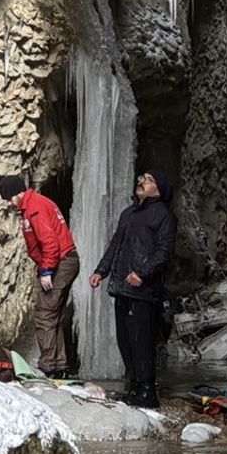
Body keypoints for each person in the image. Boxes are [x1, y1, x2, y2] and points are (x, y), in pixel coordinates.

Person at [90, 170, 177, 408]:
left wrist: (143, 273)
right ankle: (134, 387)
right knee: (125, 340)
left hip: (144, 290)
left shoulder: (163, 215)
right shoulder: (128, 214)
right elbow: (115, 246)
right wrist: (101, 271)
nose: (141, 181)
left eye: (148, 180)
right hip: (122, 286)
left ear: (159, 190)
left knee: (142, 340)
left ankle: (148, 390)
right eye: (141, 179)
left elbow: (164, 252)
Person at [0, 175, 80, 379]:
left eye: (9, 199)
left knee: (44, 314)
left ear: (18, 193)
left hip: (60, 262)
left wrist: (46, 271)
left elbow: (50, 242)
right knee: (54, 315)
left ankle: (48, 367)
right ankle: (59, 365)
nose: (9, 204)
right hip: (64, 260)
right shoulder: (33, 205)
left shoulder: (35, 208)